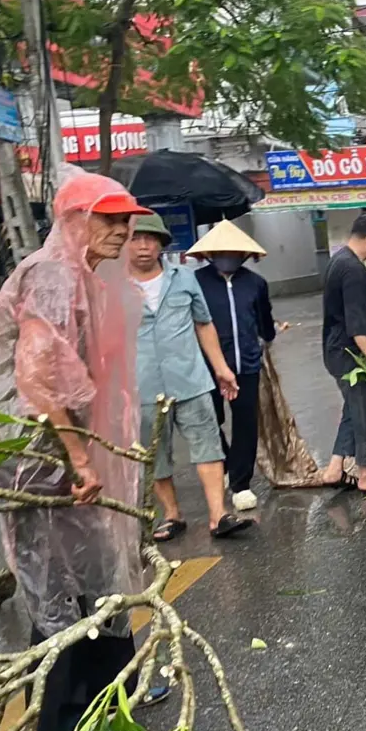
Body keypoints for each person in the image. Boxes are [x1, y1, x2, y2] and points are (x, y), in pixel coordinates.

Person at [0, 172, 151, 731]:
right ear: (75, 219)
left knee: (94, 575)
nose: (124, 230)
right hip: (42, 459)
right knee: (62, 586)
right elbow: (37, 374)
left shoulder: (84, 278)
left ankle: (108, 697)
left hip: (66, 455)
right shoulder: (53, 275)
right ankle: (58, 720)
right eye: (110, 218)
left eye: (128, 219)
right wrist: (79, 459)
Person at [129, 214, 254, 540]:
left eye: (150, 239)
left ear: (161, 245)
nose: (143, 246)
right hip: (141, 386)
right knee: (154, 453)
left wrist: (221, 368)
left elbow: (203, 323)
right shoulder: (112, 287)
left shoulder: (184, 278)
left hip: (191, 379)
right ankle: (171, 515)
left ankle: (218, 515)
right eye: (135, 238)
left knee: (209, 446)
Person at [191, 220, 278, 513]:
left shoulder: (255, 284)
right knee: (209, 421)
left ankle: (241, 483)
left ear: (243, 254)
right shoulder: (196, 283)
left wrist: (268, 336)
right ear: (210, 254)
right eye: (221, 251)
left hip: (247, 366)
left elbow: (264, 319)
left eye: (233, 251)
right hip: (206, 367)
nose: (228, 256)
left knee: (245, 424)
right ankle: (226, 462)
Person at [320, 212, 366, 492]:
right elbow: (358, 325)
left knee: (353, 408)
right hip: (351, 355)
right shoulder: (353, 270)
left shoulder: (338, 261)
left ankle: (335, 468)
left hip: (336, 350)